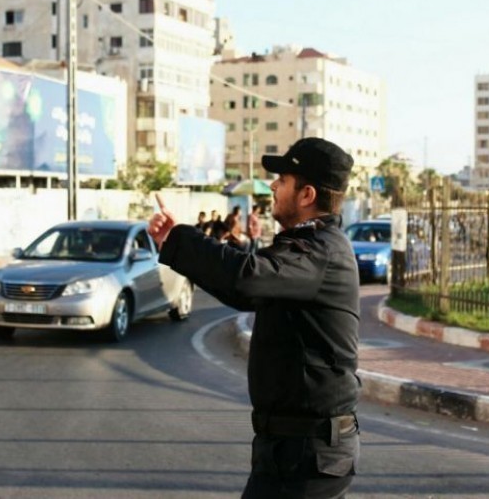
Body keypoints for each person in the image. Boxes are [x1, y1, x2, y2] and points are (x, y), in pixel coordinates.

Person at [148, 137, 360, 498]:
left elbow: (245, 279)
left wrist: (181, 239)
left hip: (308, 454)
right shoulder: (309, 247)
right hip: (291, 448)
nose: (273, 187)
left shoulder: (319, 251)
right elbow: (244, 285)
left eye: (282, 180)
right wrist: (176, 243)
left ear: (306, 194)